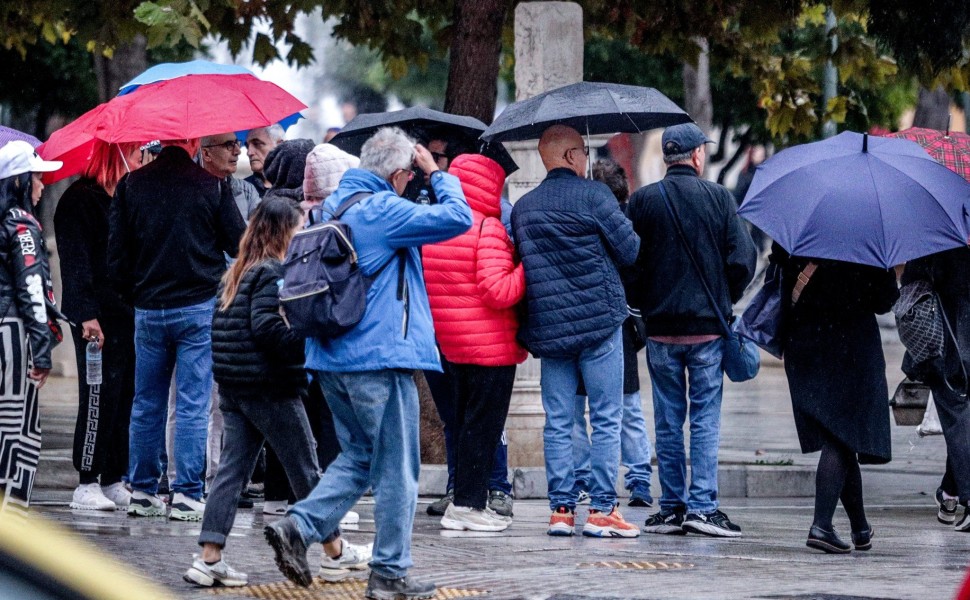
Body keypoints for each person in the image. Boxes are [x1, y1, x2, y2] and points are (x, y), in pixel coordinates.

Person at [264, 127, 471, 599]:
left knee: (358, 456)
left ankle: (299, 527)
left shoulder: (330, 208)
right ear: (398, 174)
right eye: (408, 176)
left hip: (331, 358)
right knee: (398, 468)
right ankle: (390, 574)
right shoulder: (382, 209)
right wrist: (437, 174)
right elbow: (458, 218)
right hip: (377, 359)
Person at [183, 198, 371, 588]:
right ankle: (335, 551)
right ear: (283, 231)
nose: (302, 234)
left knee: (233, 472)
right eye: (298, 227)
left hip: (235, 387)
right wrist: (305, 341)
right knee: (305, 466)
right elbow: (267, 327)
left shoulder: (238, 270)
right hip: (268, 387)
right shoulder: (270, 273)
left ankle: (209, 557)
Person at [511, 124, 640, 538]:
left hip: (551, 330)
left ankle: (562, 511)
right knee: (606, 416)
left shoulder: (524, 208)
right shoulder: (596, 196)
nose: (587, 158)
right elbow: (630, 250)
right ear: (569, 156)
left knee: (560, 420)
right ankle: (602, 510)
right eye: (582, 151)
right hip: (600, 323)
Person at [627, 123, 756, 538]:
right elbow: (743, 259)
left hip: (661, 331)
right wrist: (723, 296)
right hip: (706, 331)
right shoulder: (720, 197)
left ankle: (672, 507)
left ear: (668, 156)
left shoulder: (643, 201)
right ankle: (703, 507)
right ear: (697, 156)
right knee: (704, 419)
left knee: (667, 420)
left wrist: (646, 304)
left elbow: (629, 261)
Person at [108, 137, 246, 521]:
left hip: (148, 308)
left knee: (146, 402)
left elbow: (116, 256)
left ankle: (143, 490)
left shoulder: (131, 185)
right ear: (191, 141)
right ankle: (186, 492)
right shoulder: (210, 185)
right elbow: (238, 241)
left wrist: (133, 293)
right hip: (197, 308)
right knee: (192, 404)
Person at [422, 153, 527, 532]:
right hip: (490, 348)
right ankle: (469, 507)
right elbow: (497, 290)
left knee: (465, 426)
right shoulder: (488, 228)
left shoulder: (437, 228)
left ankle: (464, 503)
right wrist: (523, 269)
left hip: (451, 345)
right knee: (483, 428)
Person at [771, 245, 898, 552]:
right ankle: (821, 525)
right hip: (850, 347)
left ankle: (860, 527)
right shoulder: (866, 242)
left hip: (805, 343)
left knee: (840, 433)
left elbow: (778, 279)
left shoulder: (796, 235)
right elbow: (884, 300)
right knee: (843, 436)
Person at [55, 140, 144, 511]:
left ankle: (112, 476)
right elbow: (75, 265)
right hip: (96, 318)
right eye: (138, 152)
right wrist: (86, 314)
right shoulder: (79, 200)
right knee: (97, 396)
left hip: (127, 314)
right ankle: (87, 478)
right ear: (118, 153)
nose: (142, 158)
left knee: (124, 395)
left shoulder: (124, 198)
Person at [573, 159, 654, 509]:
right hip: (620, 327)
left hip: (584, 325)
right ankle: (638, 479)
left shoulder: (596, 221)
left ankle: (584, 479)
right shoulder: (628, 223)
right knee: (627, 407)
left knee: (580, 409)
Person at [0, 141, 61, 515]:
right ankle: (13, 522)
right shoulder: (21, 225)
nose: (42, 185)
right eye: (37, 176)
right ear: (20, 181)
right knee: (18, 432)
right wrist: (41, 350)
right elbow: (32, 288)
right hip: (12, 335)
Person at [901, 248, 970, 532]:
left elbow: (912, 281)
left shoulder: (937, 233)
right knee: (961, 420)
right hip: (957, 335)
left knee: (957, 415)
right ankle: (949, 491)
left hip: (948, 340)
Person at [200, 133, 260, 221]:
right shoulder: (189, 193)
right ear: (206, 154)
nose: (238, 151)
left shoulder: (247, 191)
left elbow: (262, 229)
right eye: (229, 145)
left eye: (237, 143)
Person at [243, 124, 284, 197]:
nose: (249, 152)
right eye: (247, 146)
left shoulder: (301, 184)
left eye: (257, 144)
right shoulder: (242, 190)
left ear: (280, 145)